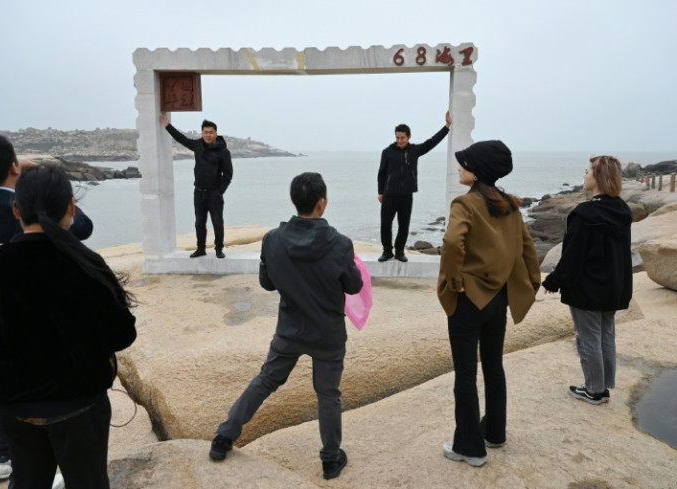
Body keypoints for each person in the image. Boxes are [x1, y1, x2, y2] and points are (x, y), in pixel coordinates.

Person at [0, 133, 92, 484]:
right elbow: (80, 226)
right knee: (39, 383)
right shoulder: (22, 211)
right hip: (33, 312)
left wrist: (2, 162)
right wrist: (42, 181)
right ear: (13, 167)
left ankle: (3, 455)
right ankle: (46, 462)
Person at [0, 166, 137, 489]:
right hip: (78, 402)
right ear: (70, 208)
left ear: (15, 210)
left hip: (15, 402)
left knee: (27, 481)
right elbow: (123, 334)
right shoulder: (85, 262)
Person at [208, 172, 363, 480]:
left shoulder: (272, 240)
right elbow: (354, 286)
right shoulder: (340, 244)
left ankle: (223, 438)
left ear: (294, 201)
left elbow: (266, 283)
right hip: (328, 335)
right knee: (328, 394)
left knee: (265, 381)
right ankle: (331, 460)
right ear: (322, 203)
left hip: (289, 330)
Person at [437, 140, 540, 467]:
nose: (460, 167)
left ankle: (469, 448)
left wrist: (454, 282)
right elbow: (527, 249)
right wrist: (530, 285)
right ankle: (494, 432)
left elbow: (453, 242)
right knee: (493, 366)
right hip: (499, 301)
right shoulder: (510, 205)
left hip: (469, 300)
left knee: (465, 374)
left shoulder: (464, 205)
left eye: (464, 163)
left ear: (477, 170)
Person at [542, 156, 632, 405]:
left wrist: (553, 281)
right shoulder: (622, 210)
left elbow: (573, 255)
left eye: (588, 171)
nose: (584, 176)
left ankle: (594, 389)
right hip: (613, 287)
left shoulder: (584, 213)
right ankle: (603, 385)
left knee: (587, 337)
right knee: (605, 335)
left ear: (599, 177)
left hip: (588, 288)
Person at [377, 111, 452, 262]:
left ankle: (399, 251)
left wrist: (447, 127)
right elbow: (381, 173)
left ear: (409, 137)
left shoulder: (414, 151)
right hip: (389, 194)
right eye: (397, 137)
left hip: (406, 195)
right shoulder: (387, 152)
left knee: (403, 225)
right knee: (386, 224)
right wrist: (380, 192)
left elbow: (432, 142)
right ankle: (387, 251)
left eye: (402, 138)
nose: (399, 140)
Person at [159, 115, 233, 258]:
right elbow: (181, 138)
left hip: (214, 193)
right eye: (205, 132)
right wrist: (167, 126)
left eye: (211, 132)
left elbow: (228, 174)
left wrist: (220, 191)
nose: (208, 135)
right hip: (198, 192)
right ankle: (201, 249)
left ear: (216, 133)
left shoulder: (223, 152)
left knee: (217, 222)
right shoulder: (197, 145)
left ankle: (219, 249)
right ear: (202, 133)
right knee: (199, 222)